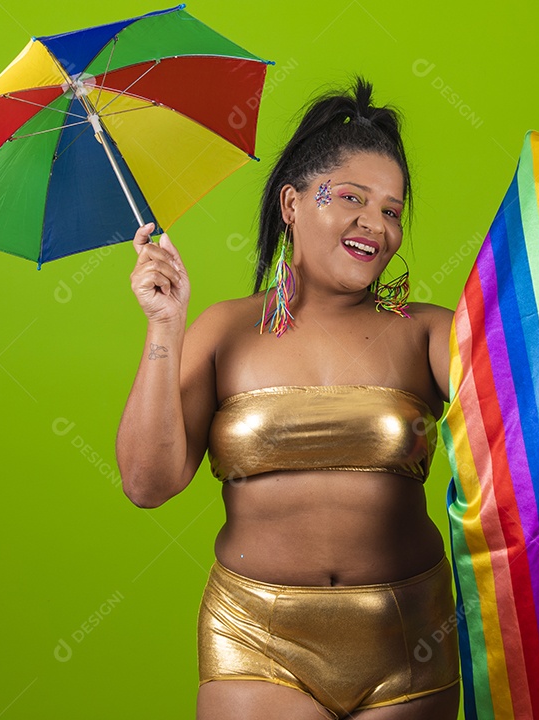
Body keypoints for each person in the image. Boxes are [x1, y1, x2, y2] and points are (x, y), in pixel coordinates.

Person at [115, 77, 460, 720]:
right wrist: (166, 327)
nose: (374, 225)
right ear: (292, 203)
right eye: (352, 198)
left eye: (391, 209)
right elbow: (147, 482)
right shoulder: (222, 330)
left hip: (411, 639)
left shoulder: (433, 331)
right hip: (257, 642)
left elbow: (525, 414)